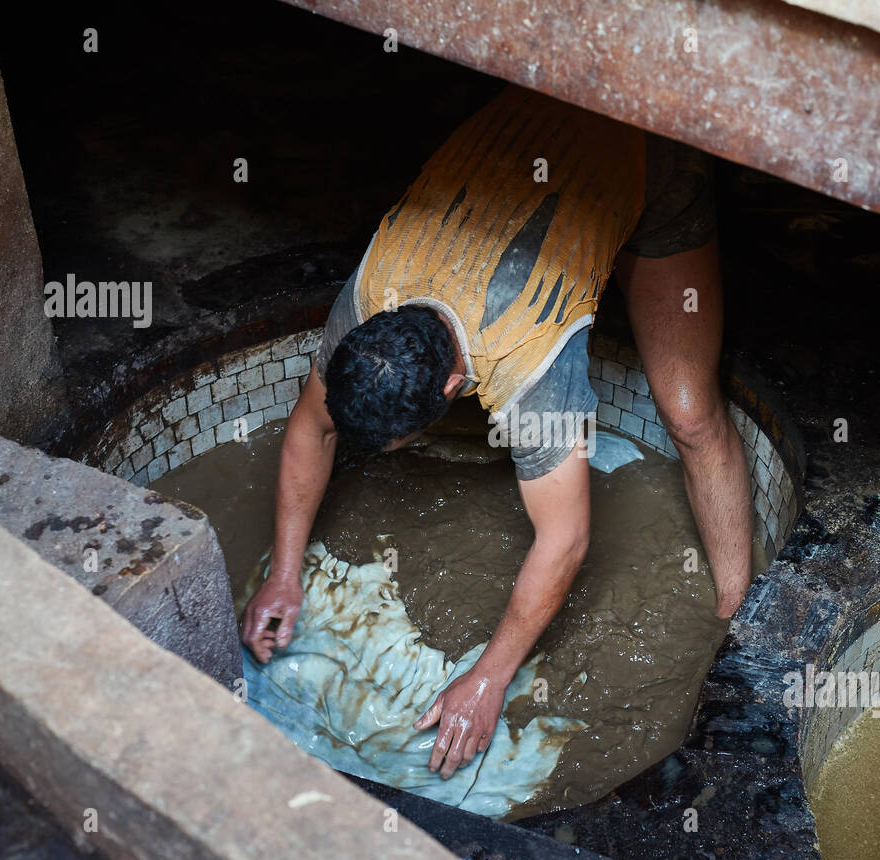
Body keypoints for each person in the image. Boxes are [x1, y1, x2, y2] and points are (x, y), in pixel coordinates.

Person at [240, 84, 753, 779]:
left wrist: (487, 680)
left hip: (643, 146)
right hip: (543, 120)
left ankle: (736, 612)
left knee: (690, 415)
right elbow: (314, 426)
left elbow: (564, 539)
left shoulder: (528, 360)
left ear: (455, 390)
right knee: (588, 224)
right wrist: (285, 575)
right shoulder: (369, 311)